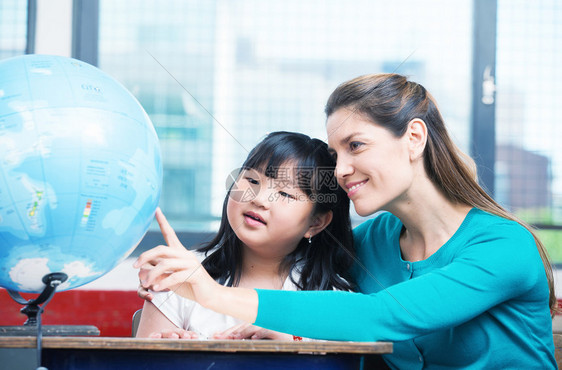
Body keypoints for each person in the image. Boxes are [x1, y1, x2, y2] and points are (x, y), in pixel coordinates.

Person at [135, 74, 556, 368]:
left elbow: (380, 316)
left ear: (413, 138)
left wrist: (209, 293)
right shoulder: (369, 241)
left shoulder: (504, 246)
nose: (339, 171)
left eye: (356, 146)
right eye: (336, 156)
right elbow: (306, 282)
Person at [135, 131, 354, 340]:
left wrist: (293, 344)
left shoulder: (333, 299)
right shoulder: (179, 275)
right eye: (253, 181)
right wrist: (173, 354)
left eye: (285, 193)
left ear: (315, 223)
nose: (259, 200)